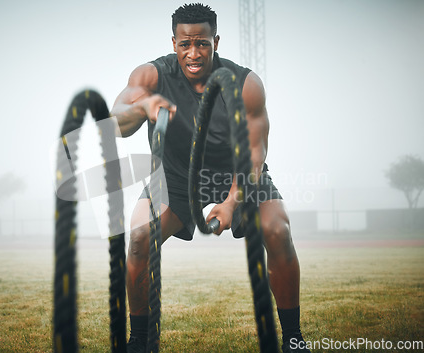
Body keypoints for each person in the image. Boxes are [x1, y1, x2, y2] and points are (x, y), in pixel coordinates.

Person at [110, 4, 310, 353]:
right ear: (174, 43)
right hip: (176, 178)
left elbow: (254, 156)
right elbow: (117, 123)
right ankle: (139, 340)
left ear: (216, 41)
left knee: (278, 231)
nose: (194, 53)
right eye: (185, 44)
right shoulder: (151, 77)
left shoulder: (245, 84)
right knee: (140, 237)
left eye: (202, 43)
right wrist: (144, 106)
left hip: (239, 176)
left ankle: (293, 339)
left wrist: (233, 202)